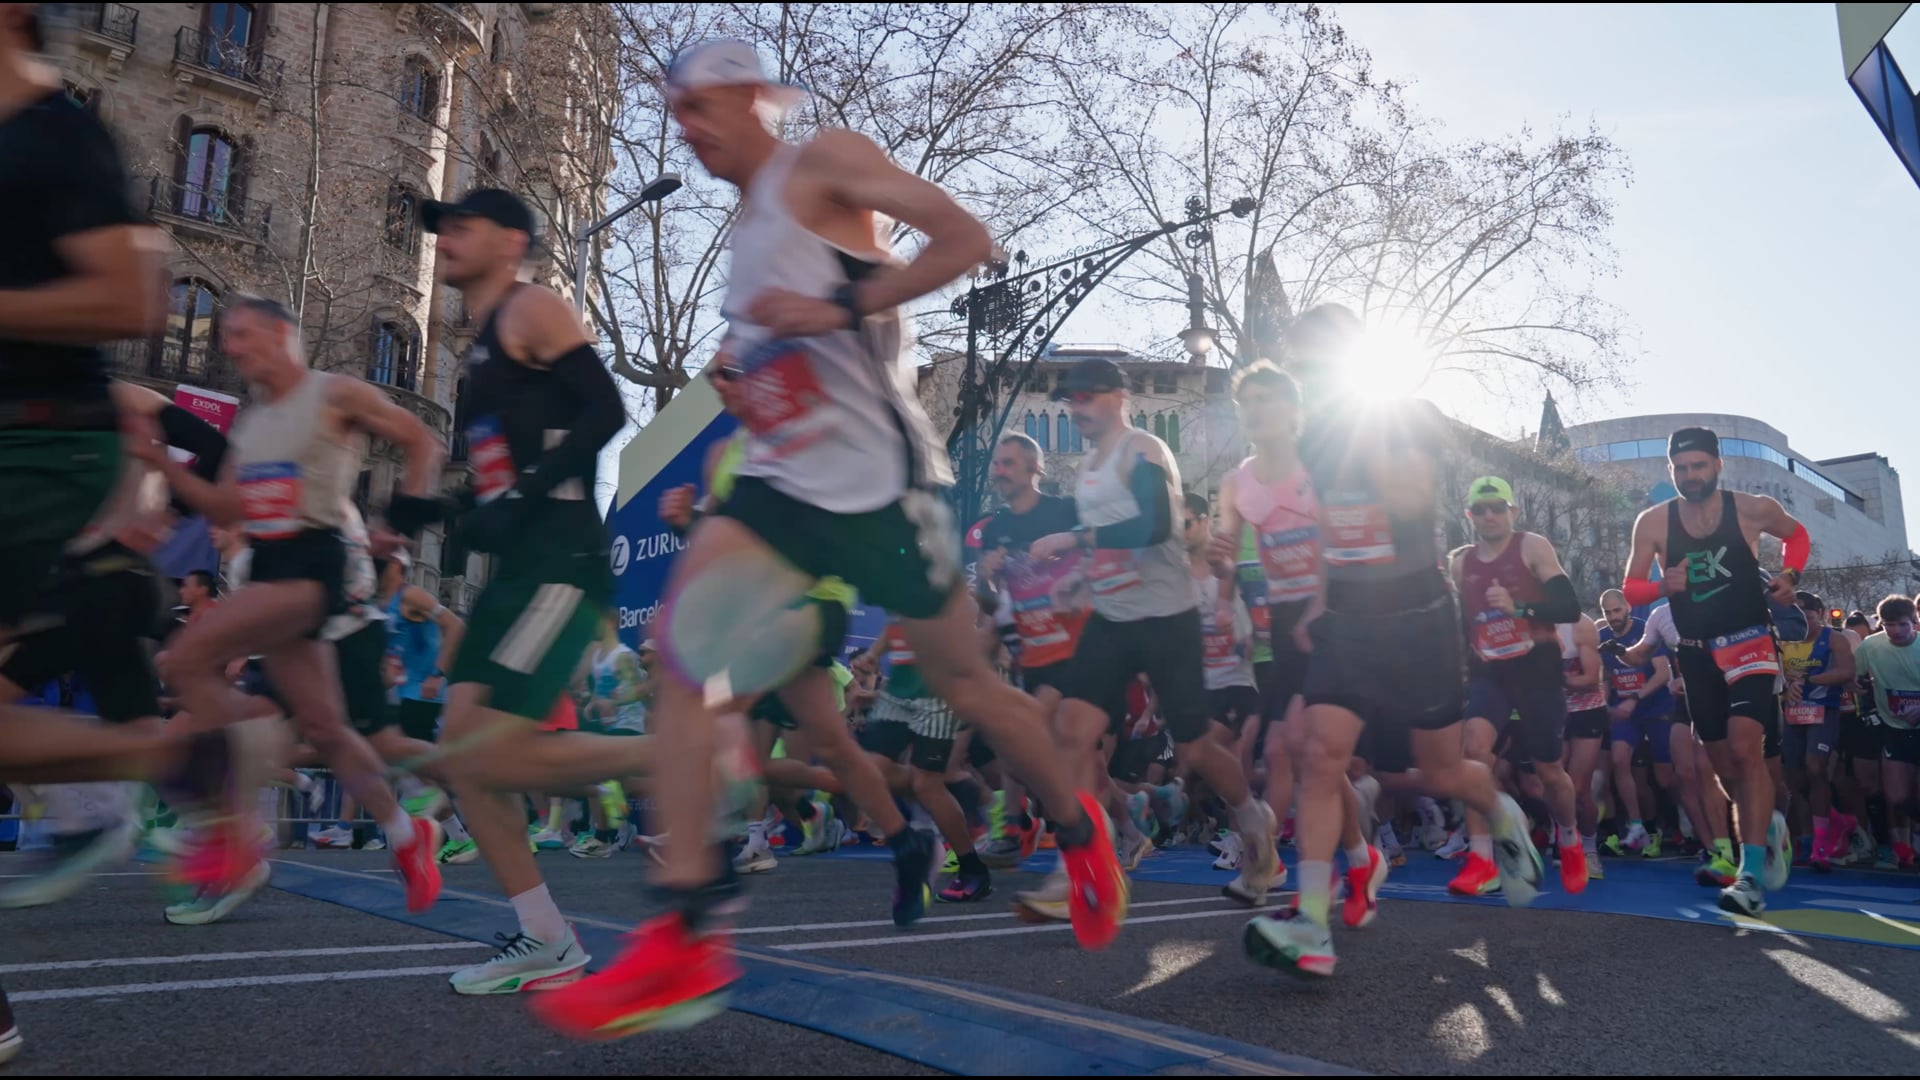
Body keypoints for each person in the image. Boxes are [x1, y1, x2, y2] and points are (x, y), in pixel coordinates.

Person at [533, 39, 1124, 1041]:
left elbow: (965, 238)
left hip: (887, 490)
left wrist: (837, 303)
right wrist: (752, 392)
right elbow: (786, 372)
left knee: (973, 687)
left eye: (699, 110)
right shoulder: (746, 225)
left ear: (749, 99)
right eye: (674, 115)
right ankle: (684, 937)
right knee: (682, 658)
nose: (685, 130)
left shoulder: (823, 162)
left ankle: (1080, 829)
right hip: (781, 490)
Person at [1243, 304, 1541, 979]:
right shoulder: (1308, 442)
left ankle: (1499, 812)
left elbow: (1408, 498)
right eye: (1301, 361)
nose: (1309, 372)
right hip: (1346, 623)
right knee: (1320, 757)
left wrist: (1360, 437)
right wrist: (1317, 599)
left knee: (1440, 772)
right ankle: (1312, 925)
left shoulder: (1403, 414)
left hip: (1418, 618)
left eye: (1320, 359)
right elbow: (1325, 528)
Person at [412, 185, 659, 996]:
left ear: (512, 240)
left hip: (561, 560)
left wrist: (522, 497)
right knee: (462, 749)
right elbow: (505, 475)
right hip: (520, 566)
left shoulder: (533, 309)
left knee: (479, 746)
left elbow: (605, 411)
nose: (445, 237)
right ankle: (546, 937)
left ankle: (676, 758)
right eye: (440, 227)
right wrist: (442, 510)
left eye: (463, 225)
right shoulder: (479, 348)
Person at [147, 295, 447, 915]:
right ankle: (405, 832)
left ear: (283, 333)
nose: (229, 346)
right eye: (225, 336)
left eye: (241, 333)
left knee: (184, 663)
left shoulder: (334, 392)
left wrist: (400, 522)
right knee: (325, 726)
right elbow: (227, 510)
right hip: (274, 564)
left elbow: (422, 441)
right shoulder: (252, 424)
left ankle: (231, 830)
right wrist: (163, 467)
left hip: (321, 562)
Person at [0, 0, 187, 797]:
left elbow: (133, 299)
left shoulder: (57, 134)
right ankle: (178, 760)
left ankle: (183, 757)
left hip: (40, 450)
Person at [1030, 356, 1278, 913]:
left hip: (1167, 617)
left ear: (1117, 396)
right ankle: (1082, 865)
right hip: (1114, 619)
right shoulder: (1089, 467)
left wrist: (1075, 541)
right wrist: (1080, 579)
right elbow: (1114, 549)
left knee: (1194, 744)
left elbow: (1154, 526)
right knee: (1072, 735)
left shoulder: (1143, 448)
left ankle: (1251, 817)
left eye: (1087, 396)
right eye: (1069, 400)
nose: (1077, 408)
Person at [1209, 362, 1378, 917]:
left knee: (1297, 749)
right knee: (1304, 756)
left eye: (1266, 399)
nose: (1255, 410)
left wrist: (1323, 605)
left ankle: (1285, 877)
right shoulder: (1237, 483)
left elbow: (1344, 540)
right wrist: (1220, 600)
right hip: (1282, 622)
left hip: (1336, 614)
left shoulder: (1320, 467)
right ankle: (1358, 856)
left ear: (1292, 409)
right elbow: (1226, 556)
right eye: (1246, 402)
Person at [1620, 425, 1804, 915]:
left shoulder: (1751, 508)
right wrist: (1662, 587)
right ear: (1671, 471)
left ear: (1718, 466)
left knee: (1747, 747)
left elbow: (1797, 535)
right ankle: (1769, 827)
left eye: (1699, 466)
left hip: (1750, 642)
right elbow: (1631, 587)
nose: (1690, 476)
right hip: (1696, 653)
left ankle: (1750, 874)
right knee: (1725, 769)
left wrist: (1790, 576)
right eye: (1681, 469)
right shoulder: (1653, 522)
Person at [1447, 476, 1588, 896]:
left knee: (1548, 771)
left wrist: (1520, 607)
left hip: (1537, 667)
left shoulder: (1532, 546)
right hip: (1489, 671)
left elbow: (1569, 606)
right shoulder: (1461, 562)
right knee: (1473, 754)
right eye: (1480, 510)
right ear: (1469, 516)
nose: (1489, 516)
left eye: (1497, 508)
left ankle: (1569, 836)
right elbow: (1462, 623)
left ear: (1512, 511)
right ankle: (1482, 858)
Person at [1595, 589, 1674, 857]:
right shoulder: (1603, 636)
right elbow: (1606, 673)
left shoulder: (1645, 630)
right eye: (1607, 612)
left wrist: (1634, 698)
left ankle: (1666, 829)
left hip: (1656, 710)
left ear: (1627, 606)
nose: (1613, 617)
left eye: (1617, 610)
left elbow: (1663, 673)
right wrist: (1605, 698)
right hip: (1625, 714)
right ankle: (1637, 826)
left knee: (1665, 778)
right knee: (1619, 760)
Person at [1778, 589, 1854, 869]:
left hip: (1824, 713)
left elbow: (1847, 671)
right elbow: (1774, 674)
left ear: (1820, 615)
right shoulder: (1782, 640)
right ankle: (1809, 838)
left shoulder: (1834, 638)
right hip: (1791, 715)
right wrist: (1788, 684)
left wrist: (1809, 680)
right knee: (1794, 780)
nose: (1804, 624)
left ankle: (1821, 845)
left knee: (1816, 768)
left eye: (1809, 617)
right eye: (1797, 618)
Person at [1849, 594, 1920, 870]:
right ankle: (1902, 844)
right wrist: (1851, 684)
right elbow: (1853, 673)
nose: (1897, 631)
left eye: (1903, 625)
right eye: (1890, 625)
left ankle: (1909, 846)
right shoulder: (1871, 646)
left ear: (1913, 622)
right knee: (1897, 796)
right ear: (1881, 624)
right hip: (1894, 728)